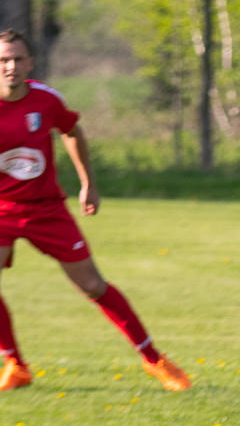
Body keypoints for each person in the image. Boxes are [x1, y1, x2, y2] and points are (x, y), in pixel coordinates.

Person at [0, 29, 190, 391]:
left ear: (30, 63)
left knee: (92, 285)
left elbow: (71, 131)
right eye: (3, 60)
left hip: (45, 209)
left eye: (17, 59)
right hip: (1, 209)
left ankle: (155, 360)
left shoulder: (45, 100)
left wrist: (88, 182)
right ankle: (15, 365)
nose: (10, 66)